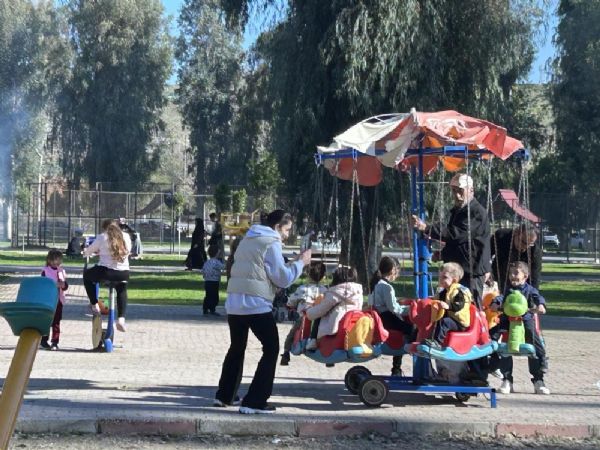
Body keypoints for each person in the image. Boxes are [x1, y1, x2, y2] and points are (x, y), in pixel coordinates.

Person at [214, 209, 311, 414]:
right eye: (286, 230)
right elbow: (282, 279)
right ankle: (255, 401)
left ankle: (225, 395)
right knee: (271, 348)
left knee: (237, 347)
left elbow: (259, 268)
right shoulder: (271, 242)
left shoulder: (247, 239)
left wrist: (290, 263)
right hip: (256, 303)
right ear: (277, 227)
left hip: (235, 302)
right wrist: (301, 263)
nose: (287, 235)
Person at [412, 173, 491, 307]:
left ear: (471, 190)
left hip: (471, 270)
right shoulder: (459, 210)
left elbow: (456, 234)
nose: (457, 195)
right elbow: (456, 241)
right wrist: (444, 253)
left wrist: (427, 228)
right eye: (454, 191)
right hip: (459, 268)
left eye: (460, 191)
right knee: (452, 304)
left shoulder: (476, 212)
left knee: (469, 306)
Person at [489, 261, 549, 395]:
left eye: (516, 273)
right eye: (511, 273)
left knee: (534, 342)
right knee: (493, 338)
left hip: (524, 320)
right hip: (507, 320)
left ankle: (539, 376)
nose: (512, 276)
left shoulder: (530, 290)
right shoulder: (508, 289)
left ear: (525, 276)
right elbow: (501, 297)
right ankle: (504, 377)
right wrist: (495, 303)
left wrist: (541, 305)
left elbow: (538, 297)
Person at [83, 219, 131, 332]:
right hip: (123, 273)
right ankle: (121, 319)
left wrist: (87, 252)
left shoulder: (102, 237)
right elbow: (127, 251)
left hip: (106, 272)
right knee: (122, 290)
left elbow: (89, 251)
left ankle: (94, 304)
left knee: (87, 276)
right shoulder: (126, 236)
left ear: (104, 228)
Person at [370, 256, 414, 376]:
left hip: (381, 317)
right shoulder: (386, 287)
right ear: (393, 270)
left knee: (404, 327)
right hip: (387, 317)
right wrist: (411, 309)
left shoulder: (376, 283)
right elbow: (394, 308)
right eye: (398, 271)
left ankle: (396, 368)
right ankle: (413, 351)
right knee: (412, 328)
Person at [304, 266, 363, 350]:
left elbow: (320, 310)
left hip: (335, 328)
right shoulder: (358, 292)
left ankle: (313, 340)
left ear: (337, 278)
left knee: (320, 314)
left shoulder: (335, 293)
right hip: (352, 326)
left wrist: (308, 311)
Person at [280, 262, 327, 365]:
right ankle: (329, 359)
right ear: (323, 276)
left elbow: (291, 302)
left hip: (304, 317)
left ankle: (286, 354)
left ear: (308, 275)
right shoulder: (325, 290)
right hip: (320, 319)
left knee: (291, 335)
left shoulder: (303, 289)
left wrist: (289, 305)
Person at [424, 262, 472, 349]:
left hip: (459, 322)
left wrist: (448, 306)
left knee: (445, 322)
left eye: (444, 277)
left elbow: (459, 305)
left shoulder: (459, 291)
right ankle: (420, 338)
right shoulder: (444, 291)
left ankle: (437, 342)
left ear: (454, 280)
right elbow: (437, 300)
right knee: (433, 319)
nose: (440, 279)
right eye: (440, 277)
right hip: (450, 317)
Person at [491, 223, 542, 292]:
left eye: (530, 244)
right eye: (523, 242)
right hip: (498, 277)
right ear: (516, 233)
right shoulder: (501, 236)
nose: (526, 247)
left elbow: (535, 278)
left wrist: (532, 295)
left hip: (520, 284)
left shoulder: (535, 251)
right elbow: (485, 255)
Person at [40, 249, 69, 351]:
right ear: (49, 260)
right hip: (48, 300)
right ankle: (44, 340)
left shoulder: (61, 271)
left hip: (58, 301)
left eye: (59, 260)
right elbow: (43, 284)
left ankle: (55, 342)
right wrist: (53, 284)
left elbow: (65, 286)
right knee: (46, 320)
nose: (58, 262)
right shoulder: (45, 271)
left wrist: (63, 285)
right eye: (56, 259)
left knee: (56, 322)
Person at [201, 245, 225, 316]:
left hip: (207, 281)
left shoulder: (207, 262)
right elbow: (223, 267)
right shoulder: (216, 262)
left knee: (208, 295)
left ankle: (205, 309)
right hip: (214, 282)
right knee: (214, 296)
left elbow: (203, 270)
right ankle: (212, 309)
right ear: (217, 253)